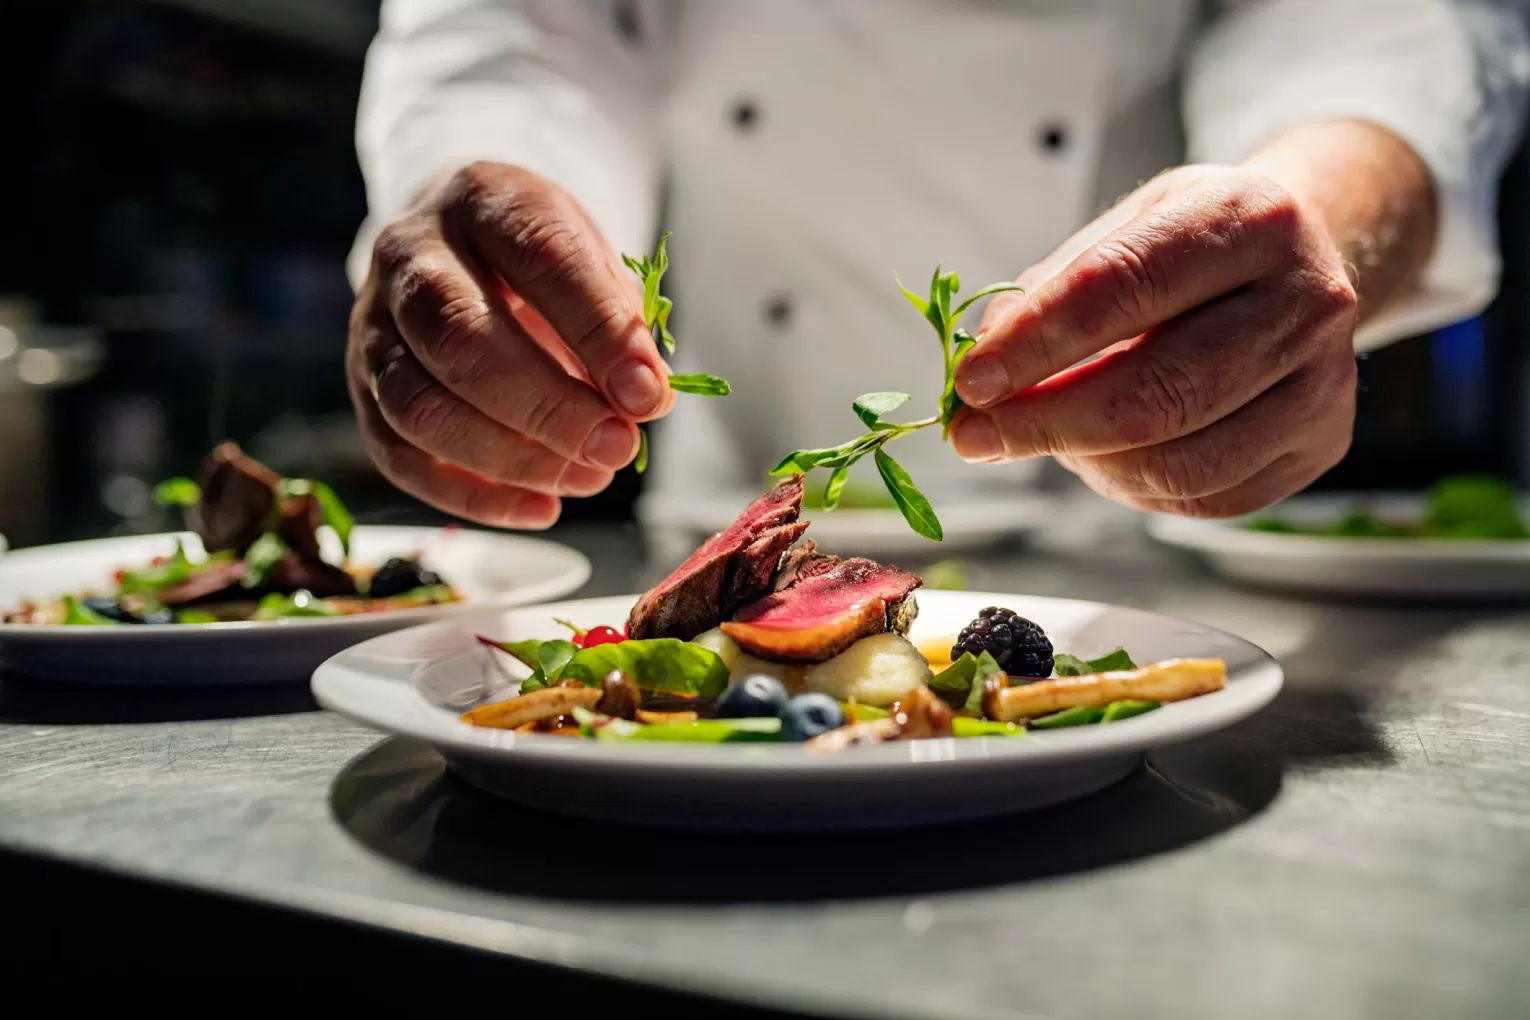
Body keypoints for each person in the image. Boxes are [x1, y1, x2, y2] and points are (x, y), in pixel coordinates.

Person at [346, 0, 1530, 530]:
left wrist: (1315, 208)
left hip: (1117, 542)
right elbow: (508, 37)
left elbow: (1387, 27)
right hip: (720, 506)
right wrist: (488, 238)